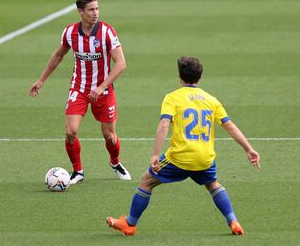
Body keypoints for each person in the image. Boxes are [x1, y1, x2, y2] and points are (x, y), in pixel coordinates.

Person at [106, 56, 260, 236]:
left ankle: (129, 224)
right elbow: (230, 125)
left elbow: (164, 125)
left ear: (180, 76)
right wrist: (249, 149)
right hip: (205, 158)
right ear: (199, 77)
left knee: (146, 181)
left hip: (179, 157)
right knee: (212, 184)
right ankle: (233, 220)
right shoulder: (211, 99)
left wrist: (155, 154)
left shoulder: (172, 97)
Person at [29, 0, 131, 184]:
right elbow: (58, 55)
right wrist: (42, 80)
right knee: (70, 132)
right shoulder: (70, 33)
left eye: (97, 9)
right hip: (79, 88)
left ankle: (115, 163)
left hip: (104, 90)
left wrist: (101, 87)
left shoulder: (107, 32)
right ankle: (78, 171)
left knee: (109, 136)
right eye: (91, 10)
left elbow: (121, 64)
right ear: (81, 12)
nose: (96, 13)